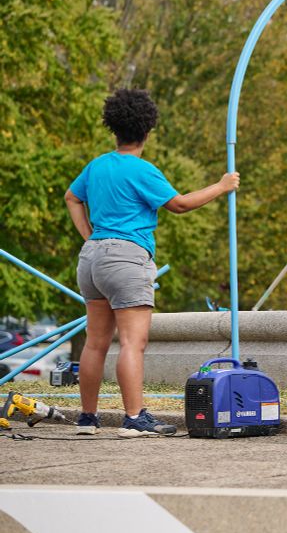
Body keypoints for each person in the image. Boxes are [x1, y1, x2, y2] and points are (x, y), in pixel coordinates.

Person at [65, 89, 240, 438]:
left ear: (113, 128)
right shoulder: (142, 170)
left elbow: (72, 197)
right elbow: (179, 205)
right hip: (127, 258)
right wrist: (222, 187)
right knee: (133, 342)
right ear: (147, 130)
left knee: (95, 341)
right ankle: (134, 418)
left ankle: (87, 418)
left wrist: (89, 236)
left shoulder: (96, 165)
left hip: (92, 258)